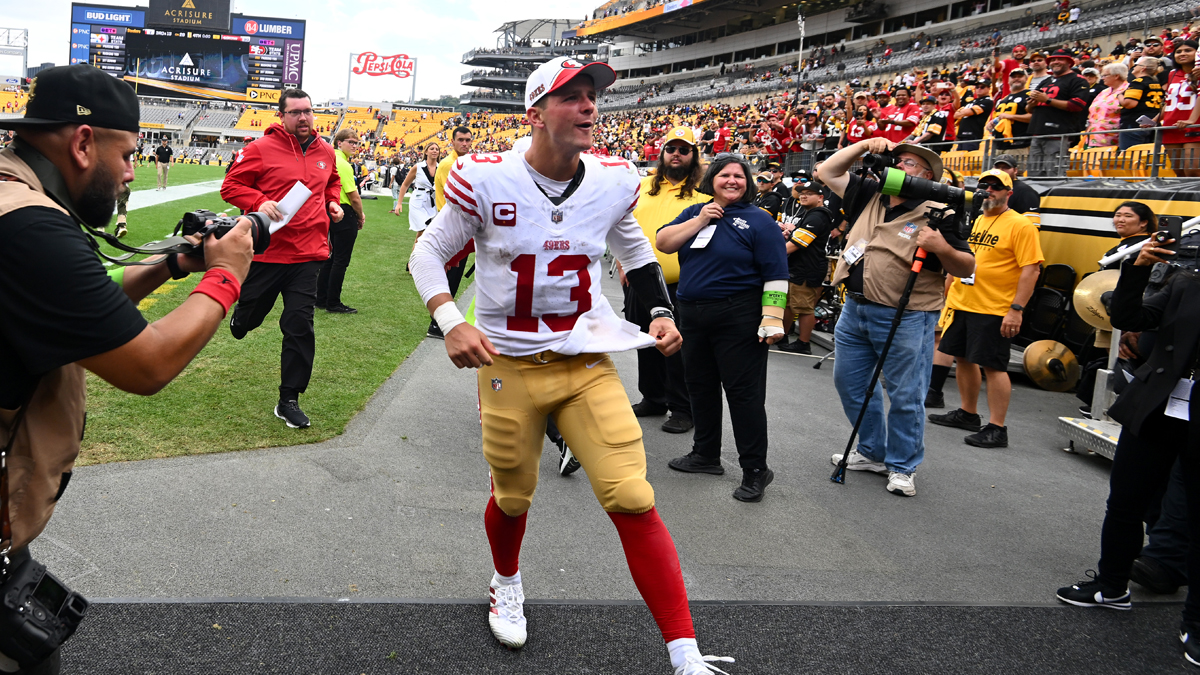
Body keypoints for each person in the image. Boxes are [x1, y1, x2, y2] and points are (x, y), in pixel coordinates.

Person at [409, 56, 732, 675]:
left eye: (591, 96)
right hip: (509, 364)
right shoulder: (486, 177)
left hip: (586, 360)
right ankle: (507, 581)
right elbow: (428, 254)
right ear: (534, 114)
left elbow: (633, 248)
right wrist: (452, 322)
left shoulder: (612, 179)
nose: (588, 106)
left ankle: (684, 652)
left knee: (633, 494)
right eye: (571, 97)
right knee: (513, 494)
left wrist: (659, 311)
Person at [0, 64, 254, 675]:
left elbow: (82, 308)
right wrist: (228, 275)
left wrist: (172, 264)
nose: (131, 174)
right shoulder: (32, 229)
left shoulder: (17, 200)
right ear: (84, 143)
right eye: (129, 154)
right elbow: (147, 364)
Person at [1054, 228, 1200, 671]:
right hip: (1160, 405)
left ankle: (1196, 622)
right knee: (1125, 502)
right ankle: (1111, 586)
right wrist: (1137, 270)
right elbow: (1129, 315)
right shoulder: (1184, 281)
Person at [817, 138, 975, 497]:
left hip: (907, 315)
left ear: (926, 176)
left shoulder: (941, 211)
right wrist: (861, 146)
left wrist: (941, 247)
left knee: (906, 393)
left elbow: (966, 265)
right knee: (851, 384)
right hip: (855, 308)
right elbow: (826, 170)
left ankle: (903, 465)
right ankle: (872, 452)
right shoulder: (868, 193)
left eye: (909, 164)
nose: (899, 166)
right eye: (897, 160)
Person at [657, 154, 789, 502]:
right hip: (692, 314)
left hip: (738, 317)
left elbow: (777, 273)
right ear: (711, 179)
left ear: (748, 182)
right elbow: (664, 242)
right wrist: (700, 219)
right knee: (699, 386)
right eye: (725, 175)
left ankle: (755, 469)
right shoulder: (695, 213)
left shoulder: (760, 221)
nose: (732, 181)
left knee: (743, 395)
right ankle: (705, 455)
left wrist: (772, 317)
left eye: (740, 176)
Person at [221, 89, 344, 430]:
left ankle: (289, 398)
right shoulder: (261, 149)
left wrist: (333, 202)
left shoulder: (326, 151)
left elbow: (330, 184)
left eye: (308, 111)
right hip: (267, 251)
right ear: (282, 116)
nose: (303, 118)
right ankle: (242, 317)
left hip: (308, 255)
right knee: (250, 317)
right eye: (296, 113)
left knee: (299, 325)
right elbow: (230, 186)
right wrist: (259, 200)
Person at [927, 169, 1043, 448]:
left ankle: (997, 427)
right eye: (983, 185)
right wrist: (948, 291)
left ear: (1008, 193)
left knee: (993, 365)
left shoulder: (1021, 225)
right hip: (963, 301)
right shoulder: (975, 219)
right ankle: (968, 413)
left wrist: (1016, 309)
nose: (988, 190)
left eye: (996, 186)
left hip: (995, 307)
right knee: (964, 359)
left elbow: (1032, 269)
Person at [623, 126, 706, 434]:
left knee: (677, 348)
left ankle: (682, 407)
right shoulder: (640, 185)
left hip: (681, 284)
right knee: (645, 341)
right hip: (640, 280)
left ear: (693, 156)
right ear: (661, 153)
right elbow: (622, 224)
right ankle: (653, 397)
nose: (676, 154)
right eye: (671, 148)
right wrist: (621, 261)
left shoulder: (703, 193)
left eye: (684, 150)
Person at [776, 178, 835, 355]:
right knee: (788, 304)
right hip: (798, 266)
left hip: (807, 268)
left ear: (820, 197)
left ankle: (803, 342)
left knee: (803, 307)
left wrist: (773, 256)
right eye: (801, 194)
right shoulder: (811, 214)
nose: (803, 196)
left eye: (809, 194)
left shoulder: (817, 215)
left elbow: (797, 244)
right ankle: (783, 336)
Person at [428, 127, 474, 339]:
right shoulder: (449, 164)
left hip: (459, 227)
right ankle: (437, 324)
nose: (465, 143)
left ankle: (441, 322)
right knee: (450, 276)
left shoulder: (465, 162)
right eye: (461, 140)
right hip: (451, 227)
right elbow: (458, 198)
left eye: (468, 140)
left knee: (452, 276)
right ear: (453, 141)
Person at [316, 128, 365, 314]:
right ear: (340, 143)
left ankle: (321, 297)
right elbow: (354, 196)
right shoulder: (343, 163)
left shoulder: (329, 158)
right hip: (343, 211)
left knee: (330, 258)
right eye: (351, 142)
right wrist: (360, 216)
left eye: (356, 143)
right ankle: (333, 302)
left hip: (329, 209)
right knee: (340, 260)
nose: (354, 146)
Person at [1026, 48, 1088, 176]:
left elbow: (1076, 105)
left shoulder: (1078, 80)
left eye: (1060, 59)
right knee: (1034, 175)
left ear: (1069, 62)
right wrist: (1031, 104)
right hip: (1037, 132)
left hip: (1059, 134)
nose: (1055, 62)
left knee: (1054, 174)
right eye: (1053, 60)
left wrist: (1048, 100)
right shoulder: (1046, 81)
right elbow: (1029, 109)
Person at [1160, 40, 1200, 177]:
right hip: (1171, 126)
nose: (1182, 54)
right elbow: (1170, 101)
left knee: (1193, 171)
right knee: (1179, 172)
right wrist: (1154, 120)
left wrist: (1191, 119)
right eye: (1178, 51)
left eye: (1188, 50)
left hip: (1194, 126)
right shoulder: (1172, 73)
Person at [1119, 56, 1165, 152]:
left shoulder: (1138, 83)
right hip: (1152, 123)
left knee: (1130, 157)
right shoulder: (1156, 83)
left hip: (1134, 124)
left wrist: (1119, 96)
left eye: (1136, 65)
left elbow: (1130, 104)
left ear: (1142, 68)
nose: (1133, 67)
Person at [986, 69, 1033, 149]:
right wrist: (992, 123)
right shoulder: (1004, 99)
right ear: (1008, 80)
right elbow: (1001, 117)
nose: (1016, 78)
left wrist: (1010, 116)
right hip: (999, 145)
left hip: (1019, 145)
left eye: (1020, 76)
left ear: (1026, 79)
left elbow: (1034, 118)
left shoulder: (1029, 95)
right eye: (1014, 77)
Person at [1086, 63, 1130, 148]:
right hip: (1093, 137)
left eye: (1105, 75)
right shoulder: (1104, 91)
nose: (1102, 78)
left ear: (1116, 76)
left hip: (1115, 139)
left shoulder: (1129, 89)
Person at [954, 79, 994, 151]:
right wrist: (964, 112)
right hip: (962, 135)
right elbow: (955, 115)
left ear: (989, 88)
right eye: (977, 87)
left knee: (968, 160)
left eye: (982, 87)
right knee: (958, 160)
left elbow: (969, 112)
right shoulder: (972, 102)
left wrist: (963, 112)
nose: (979, 89)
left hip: (973, 135)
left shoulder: (987, 101)